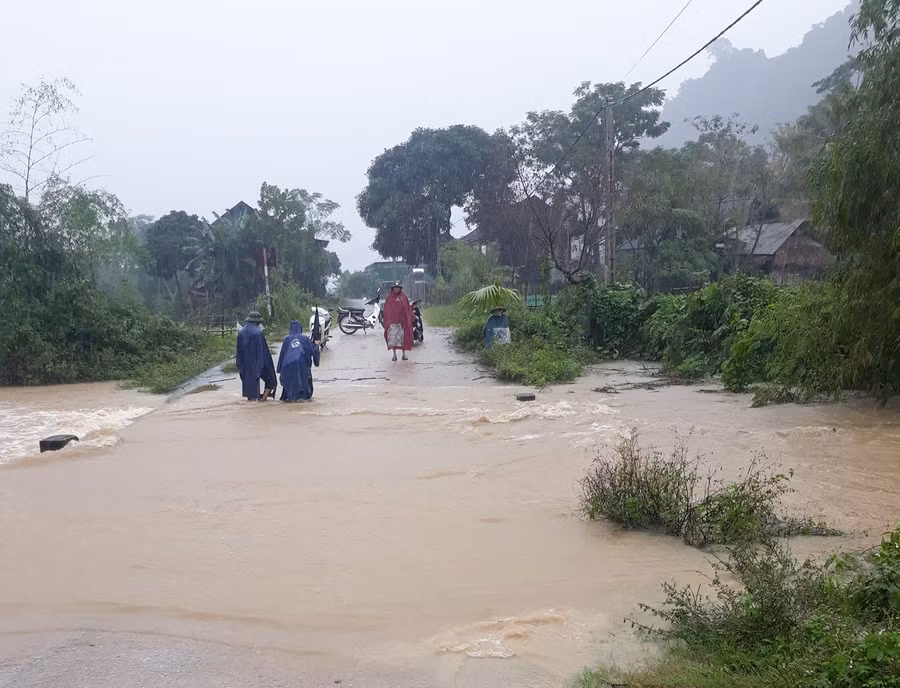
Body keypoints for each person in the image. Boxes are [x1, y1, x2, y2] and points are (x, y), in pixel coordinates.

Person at [236, 311, 277, 401]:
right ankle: (262, 401)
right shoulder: (258, 333)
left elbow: (238, 351)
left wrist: (239, 365)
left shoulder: (241, 332)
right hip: (257, 363)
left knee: (250, 389)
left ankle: (253, 403)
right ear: (257, 322)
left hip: (245, 365)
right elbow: (263, 350)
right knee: (270, 380)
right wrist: (264, 365)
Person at [277, 320, 320, 402]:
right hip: (302, 367)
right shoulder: (305, 339)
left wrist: (279, 369)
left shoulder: (286, 339)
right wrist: (316, 345)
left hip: (287, 367)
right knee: (304, 393)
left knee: (287, 393)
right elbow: (313, 351)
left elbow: (282, 354)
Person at [382, 281, 413, 361]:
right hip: (392, 322)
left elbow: (407, 309)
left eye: (398, 288)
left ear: (400, 288)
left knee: (403, 338)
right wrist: (387, 321)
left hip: (402, 322)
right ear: (393, 289)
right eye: (395, 288)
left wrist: (407, 319)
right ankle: (394, 355)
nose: (396, 289)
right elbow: (386, 310)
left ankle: (403, 354)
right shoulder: (389, 298)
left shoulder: (404, 297)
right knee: (393, 339)